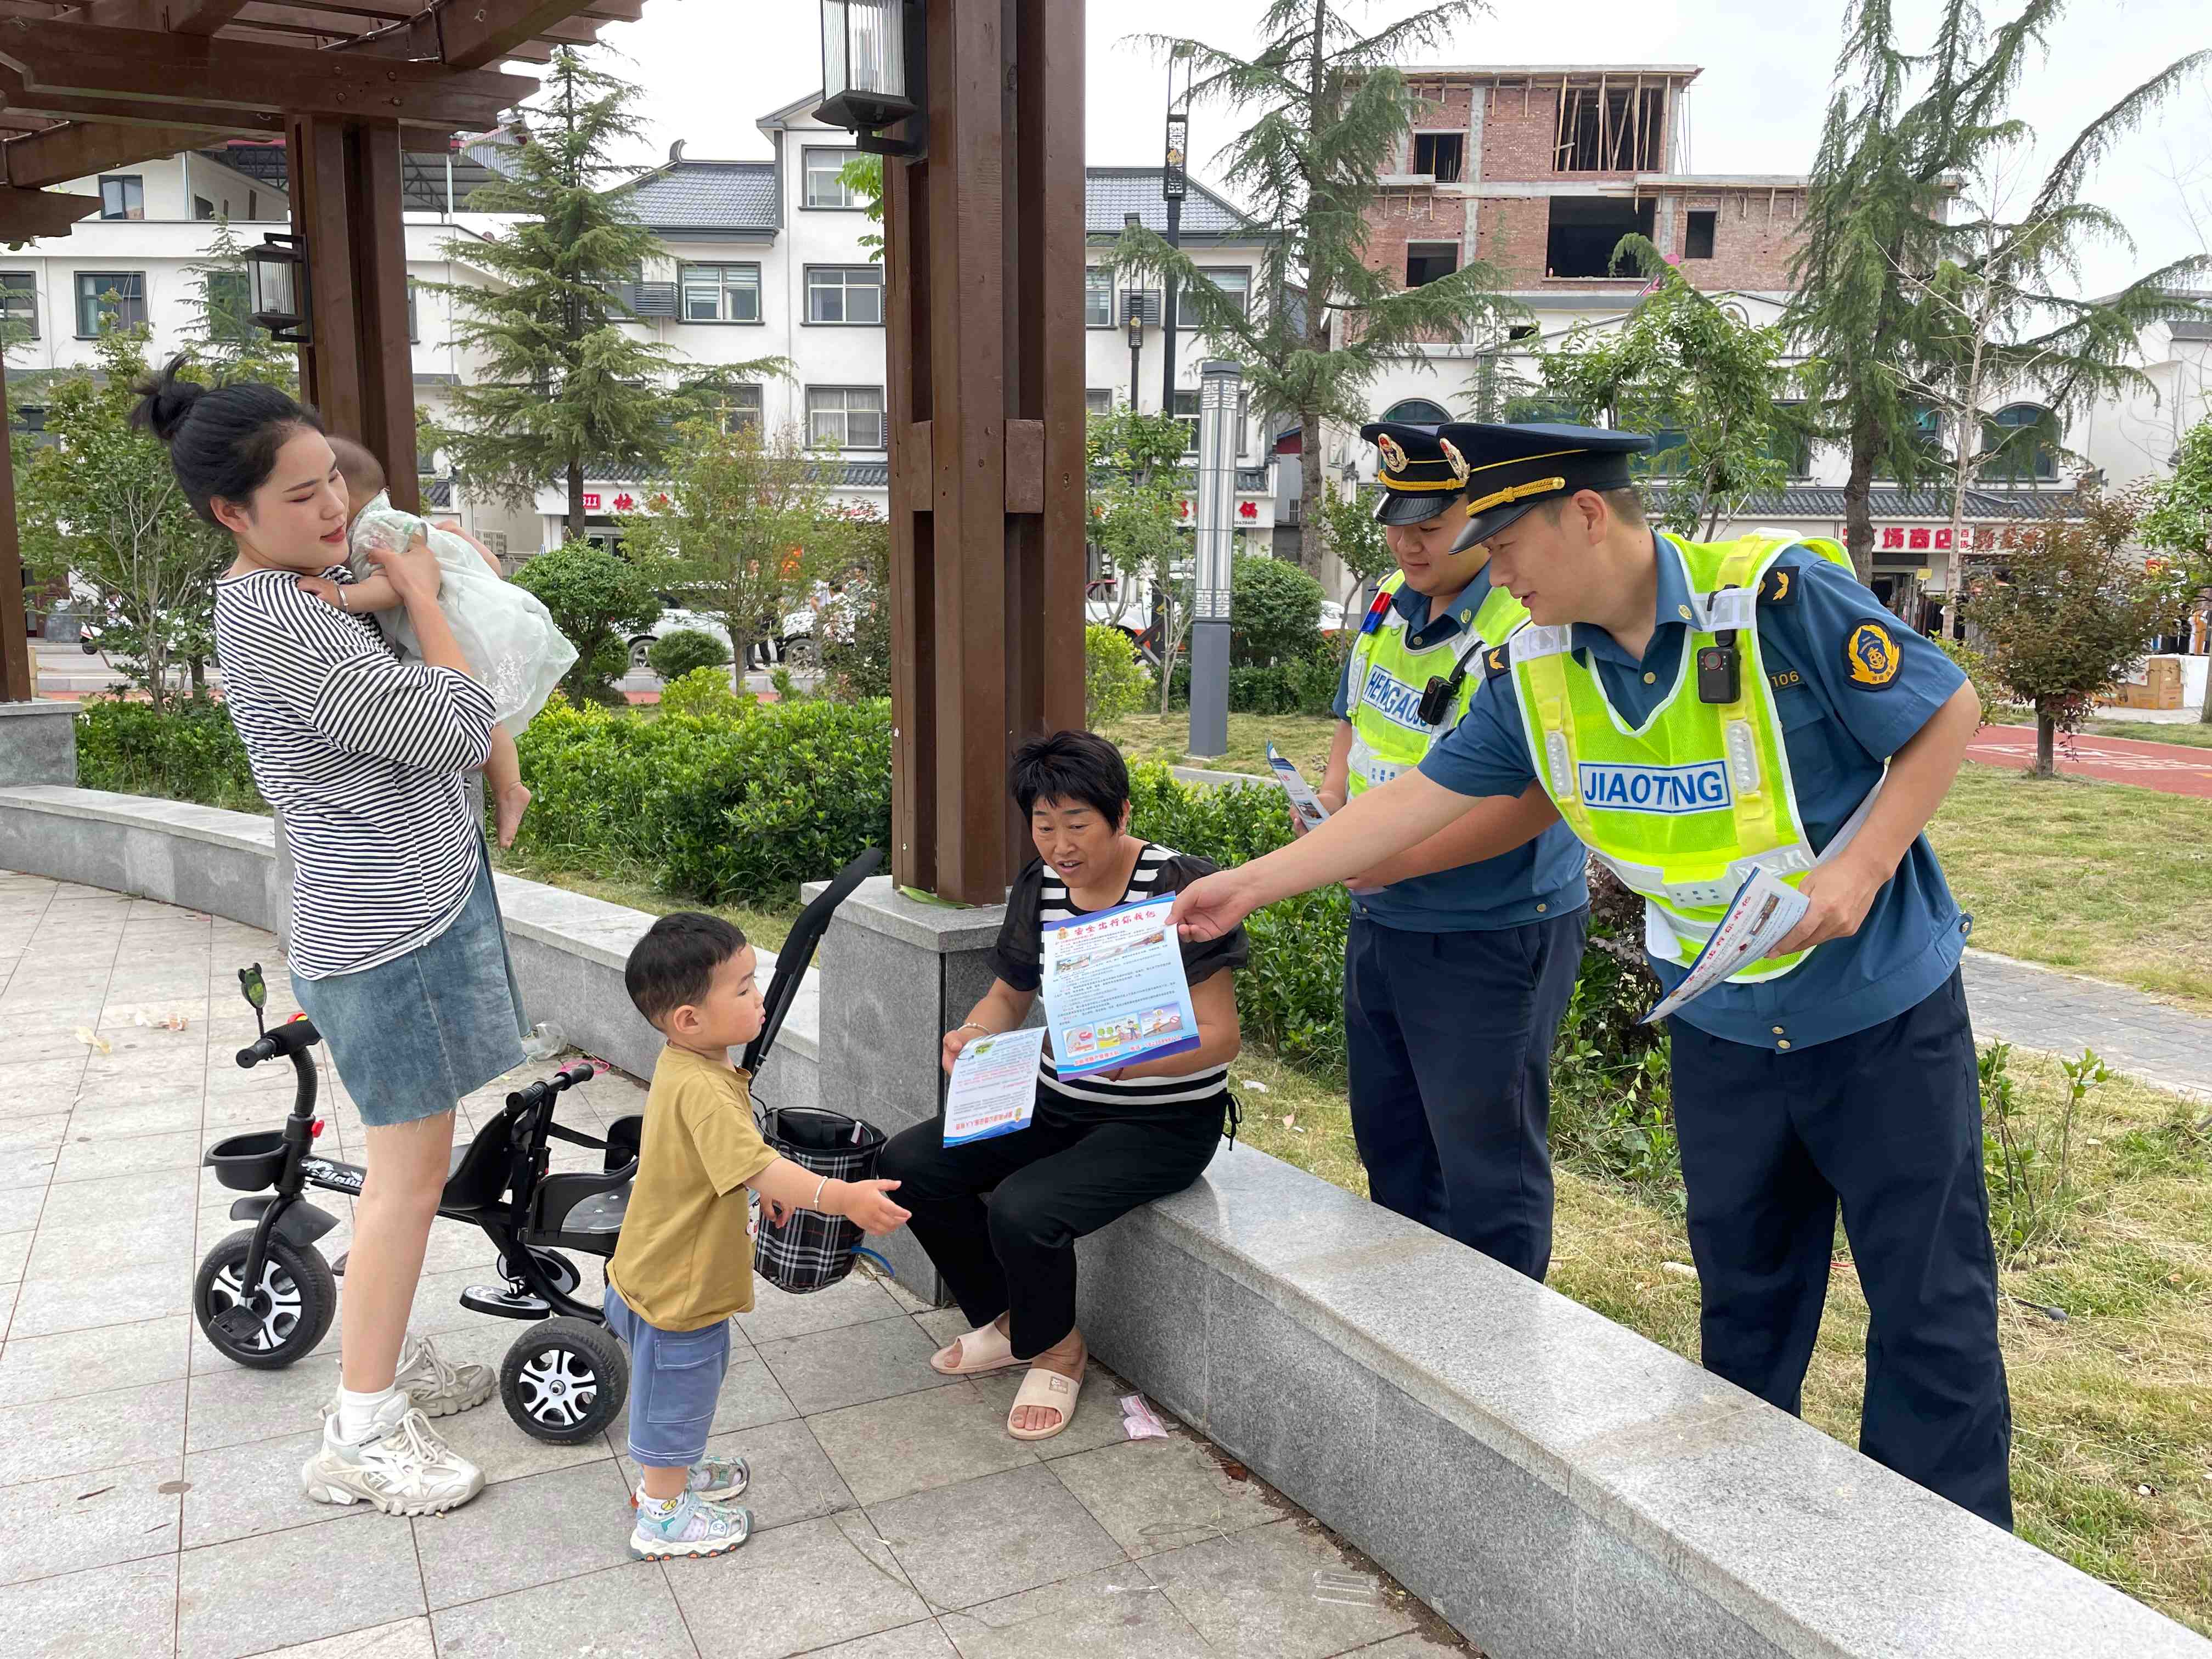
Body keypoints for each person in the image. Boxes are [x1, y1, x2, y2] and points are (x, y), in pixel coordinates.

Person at [1171, 422, 2012, 1530]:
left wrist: (1861, 866)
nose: (1495, 571)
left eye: (1505, 542)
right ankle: (1746, 1540)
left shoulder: (1772, 596)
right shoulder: (1536, 667)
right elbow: (1417, 797)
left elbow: (1947, 707)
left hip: (1878, 1013)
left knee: (1927, 1305)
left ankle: (1943, 1562)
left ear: (1583, 515)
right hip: (1718, 1018)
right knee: (1745, 1297)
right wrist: (1248, 885)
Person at [133, 359, 521, 1515]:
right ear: (230, 513)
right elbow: (457, 726)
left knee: (409, 1170)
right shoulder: (281, 624)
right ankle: (360, 1430)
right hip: (390, 929)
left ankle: (382, 1351)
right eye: (301, 496)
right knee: (408, 1177)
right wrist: (428, 601)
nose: (333, 508)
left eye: (331, 482)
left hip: (403, 903)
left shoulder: (297, 590)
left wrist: (405, 574)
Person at [876, 731, 1247, 1441]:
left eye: (1078, 824)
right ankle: (1014, 1320)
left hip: (1162, 1122)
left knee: (1024, 1207)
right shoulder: (1040, 886)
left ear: (1122, 814)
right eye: (1044, 826)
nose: (1060, 845)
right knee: (907, 1165)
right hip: (1058, 1098)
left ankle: (1057, 1351)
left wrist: (1129, 1060)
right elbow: (1008, 997)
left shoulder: (1176, 887)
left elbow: (1220, 1035)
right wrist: (974, 1033)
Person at [1318, 420, 1586, 1278]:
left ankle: (1493, 1337)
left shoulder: (1526, 622)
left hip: (1487, 927)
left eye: (1431, 527)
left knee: (1486, 1163)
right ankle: (1408, 1315)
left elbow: (1538, 797)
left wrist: (1382, 859)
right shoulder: (1392, 601)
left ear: (1480, 519)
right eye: (1396, 526)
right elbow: (1356, 713)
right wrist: (1331, 796)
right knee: (1392, 1137)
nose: (1409, 545)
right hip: (1383, 913)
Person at [608, 912, 909, 1560]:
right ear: (689, 1019)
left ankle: (674, 1473)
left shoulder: (692, 1064)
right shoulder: (706, 1088)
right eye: (743, 988)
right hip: (678, 1290)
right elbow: (759, 1161)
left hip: (659, 1271)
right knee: (675, 1398)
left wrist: (754, 1187)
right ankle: (662, 1514)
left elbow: (726, 1158)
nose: (760, 997)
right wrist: (843, 1197)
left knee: (691, 1384)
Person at [295, 437, 575, 849]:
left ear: (346, 495)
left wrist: (342, 596)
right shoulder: (401, 521)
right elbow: (491, 567)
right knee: (489, 714)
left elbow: (395, 585)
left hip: (457, 632)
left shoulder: (371, 531)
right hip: (489, 612)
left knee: (480, 716)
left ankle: (510, 788)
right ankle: (511, 787)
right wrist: (458, 538)